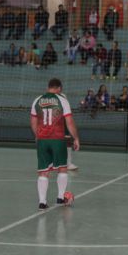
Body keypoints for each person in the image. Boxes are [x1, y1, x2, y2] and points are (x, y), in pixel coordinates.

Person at [30, 78, 80, 209]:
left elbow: (33, 122)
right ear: (59, 88)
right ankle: (60, 197)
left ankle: (42, 202)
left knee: (43, 172)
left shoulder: (37, 100)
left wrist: (37, 136)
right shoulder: (62, 100)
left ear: (48, 87)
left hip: (42, 140)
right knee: (62, 168)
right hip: (57, 139)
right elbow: (69, 122)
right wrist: (76, 138)